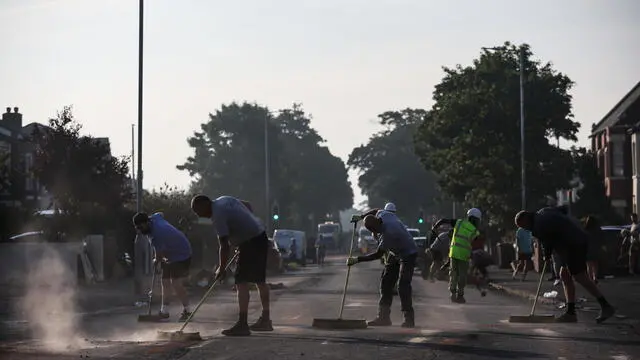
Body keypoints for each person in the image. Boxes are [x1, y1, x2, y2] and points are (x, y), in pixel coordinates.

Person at [515, 208, 616, 323]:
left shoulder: (539, 224)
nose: (525, 228)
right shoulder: (543, 213)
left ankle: (606, 306)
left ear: (527, 219)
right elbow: (562, 210)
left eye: (523, 225)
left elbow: (547, 240)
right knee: (564, 275)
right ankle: (571, 313)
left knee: (580, 277)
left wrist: (546, 255)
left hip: (573, 244)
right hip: (571, 243)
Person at [191, 194, 272, 336]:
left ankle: (242, 324)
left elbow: (224, 245)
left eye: (199, 212)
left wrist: (221, 269)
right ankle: (266, 319)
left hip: (250, 242)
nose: (200, 216)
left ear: (205, 205)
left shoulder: (217, 216)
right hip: (259, 236)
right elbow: (247, 205)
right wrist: (246, 226)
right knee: (260, 280)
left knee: (241, 281)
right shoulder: (224, 199)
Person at [347, 211, 418, 327]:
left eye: (374, 231)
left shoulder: (388, 234)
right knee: (386, 283)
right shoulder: (384, 215)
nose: (375, 234)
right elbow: (375, 210)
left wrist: (357, 260)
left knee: (403, 285)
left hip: (408, 253)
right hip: (395, 253)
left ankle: (409, 318)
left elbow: (378, 255)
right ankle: (383, 317)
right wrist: (361, 217)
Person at [132, 212, 193, 321]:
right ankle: (164, 311)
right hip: (170, 253)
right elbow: (161, 214)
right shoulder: (155, 218)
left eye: (141, 227)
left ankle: (188, 311)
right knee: (165, 281)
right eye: (138, 228)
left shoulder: (157, 235)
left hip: (181, 254)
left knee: (175, 283)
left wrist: (156, 260)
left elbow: (159, 255)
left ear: (146, 222)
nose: (140, 230)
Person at [432, 208, 483, 304]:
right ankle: (459, 295)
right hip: (463, 256)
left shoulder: (459, 223)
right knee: (461, 276)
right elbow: (475, 246)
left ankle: (453, 294)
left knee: (453, 274)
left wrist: (435, 226)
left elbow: (443, 220)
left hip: (454, 253)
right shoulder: (475, 232)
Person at [582, 215, 603, 284]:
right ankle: (595, 277)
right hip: (596, 248)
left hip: (587, 248)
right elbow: (601, 238)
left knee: (589, 265)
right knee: (595, 264)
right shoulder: (597, 229)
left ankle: (590, 278)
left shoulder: (585, 229)